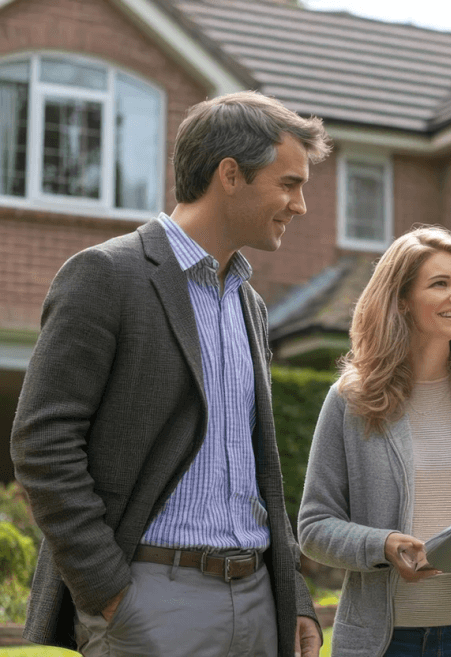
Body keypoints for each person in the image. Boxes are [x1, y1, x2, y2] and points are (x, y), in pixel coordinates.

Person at [11, 91, 331, 657]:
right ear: (230, 174)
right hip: (151, 600)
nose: (300, 205)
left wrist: (291, 593)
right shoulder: (105, 276)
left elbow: (257, 468)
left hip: (257, 600)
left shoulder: (249, 305)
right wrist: (109, 593)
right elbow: (42, 443)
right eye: (289, 183)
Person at [298, 226, 451, 657]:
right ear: (400, 299)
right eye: (441, 284)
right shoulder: (351, 400)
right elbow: (314, 528)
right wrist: (381, 545)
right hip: (382, 642)